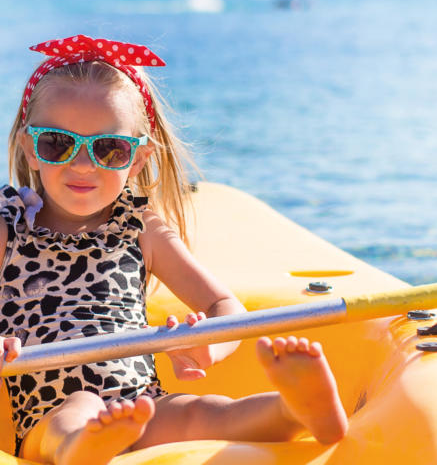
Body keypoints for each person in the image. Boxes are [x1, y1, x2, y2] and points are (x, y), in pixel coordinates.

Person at [0, 35, 348, 465]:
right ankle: (83, 448)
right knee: (77, 411)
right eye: (58, 143)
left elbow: (225, 305)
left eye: (109, 148)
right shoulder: (9, 227)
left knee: (206, 412)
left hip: (141, 401)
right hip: (47, 409)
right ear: (30, 148)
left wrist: (207, 345)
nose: (82, 164)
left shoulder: (140, 228)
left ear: (139, 159)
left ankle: (294, 409)